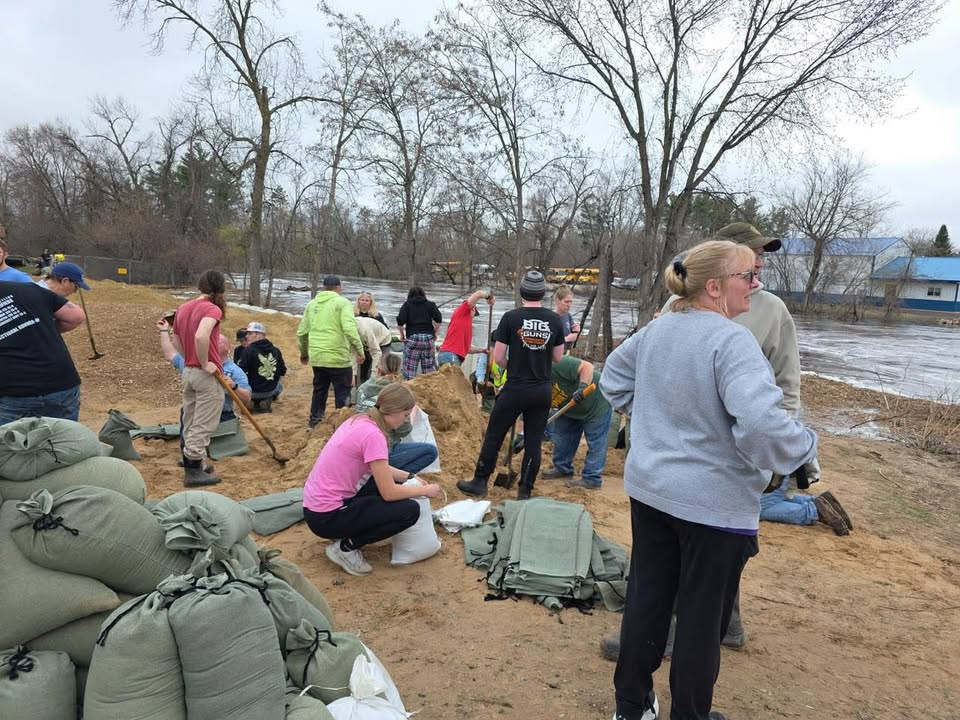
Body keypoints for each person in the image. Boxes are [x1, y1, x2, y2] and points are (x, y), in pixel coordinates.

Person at [599, 240, 817, 720]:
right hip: (714, 507)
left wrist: (655, 425)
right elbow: (762, 428)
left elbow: (611, 378)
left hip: (652, 493)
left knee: (646, 602)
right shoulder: (731, 340)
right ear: (715, 287)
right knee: (701, 622)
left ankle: (631, 708)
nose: (756, 284)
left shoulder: (658, 330)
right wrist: (805, 446)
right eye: (748, 275)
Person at [302, 383, 442, 576]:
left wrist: (410, 476)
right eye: (404, 414)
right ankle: (346, 548)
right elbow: (389, 492)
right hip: (327, 516)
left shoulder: (359, 421)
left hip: (315, 508)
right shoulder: (373, 435)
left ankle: (346, 531)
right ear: (393, 411)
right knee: (410, 511)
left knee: (386, 489)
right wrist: (424, 491)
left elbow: (381, 468)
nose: (404, 421)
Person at [457, 270, 564, 500]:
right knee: (534, 442)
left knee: (495, 434)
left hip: (516, 386)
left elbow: (498, 358)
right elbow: (557, 357)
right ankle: (524, 491)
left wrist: (514, 364)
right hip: (542, 389)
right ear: (543, 294)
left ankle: (480, 482)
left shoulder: (510, 318)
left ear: (522, 292)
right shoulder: (555, 320)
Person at [170, 270, 229, 487]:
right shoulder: (212, 309)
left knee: (191, 418)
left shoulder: (183, 308)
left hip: (188, 371)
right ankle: (193, 470)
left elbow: (175, 339)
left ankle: (194, 461)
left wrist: (189, 357)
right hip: (205, 374)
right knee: (204, 422)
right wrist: (204, 362)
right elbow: (201, 335)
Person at [0, 280, 85, 423]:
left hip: (14, 393)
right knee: (61, 442)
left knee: (11, 443)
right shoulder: (26, 287)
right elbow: (75, 316)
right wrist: (45, 329)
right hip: (61, 383)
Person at [354, 353, 439, 474]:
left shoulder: (362, 388)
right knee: (430, 452)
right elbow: (403, 431)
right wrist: (412, 413)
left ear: (378, 370)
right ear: (399, 371)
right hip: (381, 450)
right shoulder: (396, 393)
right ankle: (395, 477)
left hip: (359, 446)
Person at [298, 275, 365, 428]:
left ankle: (315, 421)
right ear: (339, 287)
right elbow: (349, 329)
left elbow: (302, 332)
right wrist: (360, 351)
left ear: (323, 287)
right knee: (342, 392)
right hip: (338, 357)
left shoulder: (312, 304)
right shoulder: (343, 303)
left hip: (317, 356)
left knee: (319, 390)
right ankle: (342, 425)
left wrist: (304, 353)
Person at [542, 355, 613, 490]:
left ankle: (592, 478)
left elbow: (587, 367)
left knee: (596, 442)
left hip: (596, 402)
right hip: (569, 407)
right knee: (563, 438)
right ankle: (562, 468)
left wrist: (582, 387)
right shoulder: (530, 382)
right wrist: (524, 433)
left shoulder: (556, 363)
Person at [160, 319, 252, 422]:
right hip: (193, 413)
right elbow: (170, 355)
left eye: (217, 341)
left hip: (221, 416)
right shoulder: (193, 363)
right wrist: (164, 330)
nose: (213, 344)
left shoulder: (234, 371)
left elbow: (246, 398)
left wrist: (234, 387)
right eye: (211, 341)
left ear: (227, 347)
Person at [236, 321, 286, 412]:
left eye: (250, 333)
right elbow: (283, 371)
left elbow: (239, 373)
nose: (246, 336)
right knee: (279, 384)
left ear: (259, 335)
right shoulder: (276, 350)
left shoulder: (248, 351)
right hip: (270, 391)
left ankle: (252, 402)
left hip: (252, 392)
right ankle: (265, 401)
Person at [437, 289, 493, 368]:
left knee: (451, 380)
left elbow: (467, 349)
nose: (474, 316)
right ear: (472, 309)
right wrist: (489, 297)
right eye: (475, 314)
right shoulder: (462, 311)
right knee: (454, 380)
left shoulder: (465, 324)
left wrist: (481, 350)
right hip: (450, 355)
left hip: (449, 354)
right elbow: (478, 294)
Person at [396, 287, 442, 380]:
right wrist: (434, 333)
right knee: (429, 371)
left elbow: (400, 322)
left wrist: (402, 335)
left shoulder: (407, 305)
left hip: (413, 338)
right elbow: (438, 320)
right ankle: (430, 390)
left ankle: (409, 389)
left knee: (410, 371)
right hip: (428, 340)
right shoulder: (431, 305)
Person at [356, 315, 394, 384]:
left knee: (382, 367)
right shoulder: (349, 330)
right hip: (367, 340)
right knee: (364, 366)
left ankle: (380, 387)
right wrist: (353, 374)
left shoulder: (365, 330)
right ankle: (362, 387)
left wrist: (373, 377)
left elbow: (377, 353)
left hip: (383, 339)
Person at [553, 285, 580, 350]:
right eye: (566, 302)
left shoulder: (568, 316)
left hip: (566, 353)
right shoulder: (550, 318)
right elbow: (548, 342)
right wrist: (567, 339)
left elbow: (572, 336)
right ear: (558, 301)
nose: (569, 305)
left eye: (571, 302)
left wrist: (576, 331)